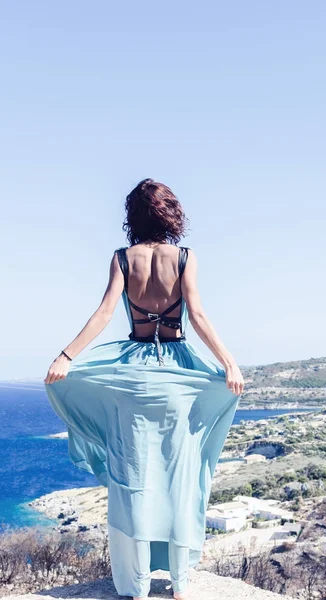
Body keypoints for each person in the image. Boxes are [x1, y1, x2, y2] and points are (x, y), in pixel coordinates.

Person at [44, 178, 244, 600]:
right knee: (179, 475)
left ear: (132, 217)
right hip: (179, 379)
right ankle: (179, 583)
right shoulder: (186, 257)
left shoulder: (122, 258)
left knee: (132, 476)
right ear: (171, 213)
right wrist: (228, 363)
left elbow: (103, 313)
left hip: (131, 380)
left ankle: (134, 586)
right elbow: (200, 316)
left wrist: (67, 357)